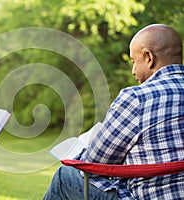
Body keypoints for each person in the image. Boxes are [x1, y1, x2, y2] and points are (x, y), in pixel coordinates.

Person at [44, 24, 184, 199]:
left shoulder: (137, 98)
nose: (133, 71)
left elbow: (94, 162)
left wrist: (80, 155)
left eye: (134, 62)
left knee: (64, 177)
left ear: (149, 57)